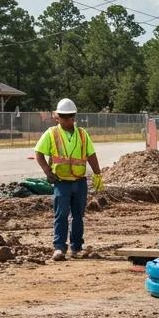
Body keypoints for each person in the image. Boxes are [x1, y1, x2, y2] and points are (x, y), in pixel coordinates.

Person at [34, 99, 104, 261]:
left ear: (74, 117)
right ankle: (59, 248)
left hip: (79, 182)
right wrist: (47, 171)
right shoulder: (52, 133)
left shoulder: (82, 134)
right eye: (64, 117)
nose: (67, 120)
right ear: (57, 117)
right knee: (61, 214)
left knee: (78, 216)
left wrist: (97, 173)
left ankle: (76, 247)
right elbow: (39, 153)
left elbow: (90, 154)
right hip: (61, 181)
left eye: (70, 117)